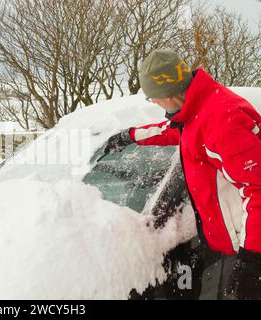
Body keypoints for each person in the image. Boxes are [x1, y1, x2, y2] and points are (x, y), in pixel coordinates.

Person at [104, 49, 261, 300]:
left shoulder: (222, 119)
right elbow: (178, 132)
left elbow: (257, 189)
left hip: (247, 246)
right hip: (231, 244)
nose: (153, 103)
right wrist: (131, 135)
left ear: (166, 95)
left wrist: (252, 258)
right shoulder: (199, 109)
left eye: (151, 97)